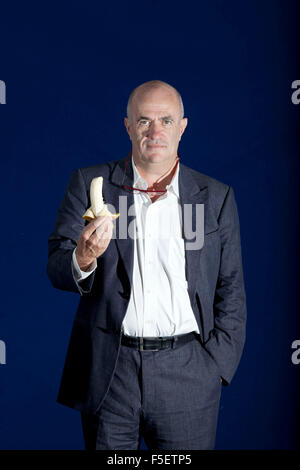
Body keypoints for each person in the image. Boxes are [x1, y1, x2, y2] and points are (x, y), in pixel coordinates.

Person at [47, 80, 247, 450]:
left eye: (166, 121)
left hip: (188, 372)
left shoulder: (215, 198)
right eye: (144, 121)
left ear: (182, 127)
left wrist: (215, 366)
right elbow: (58, 265)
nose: (155, 132)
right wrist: (85, 256)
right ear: (128, 126)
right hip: (110, 372)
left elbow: (231, 287)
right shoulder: (92, 183)